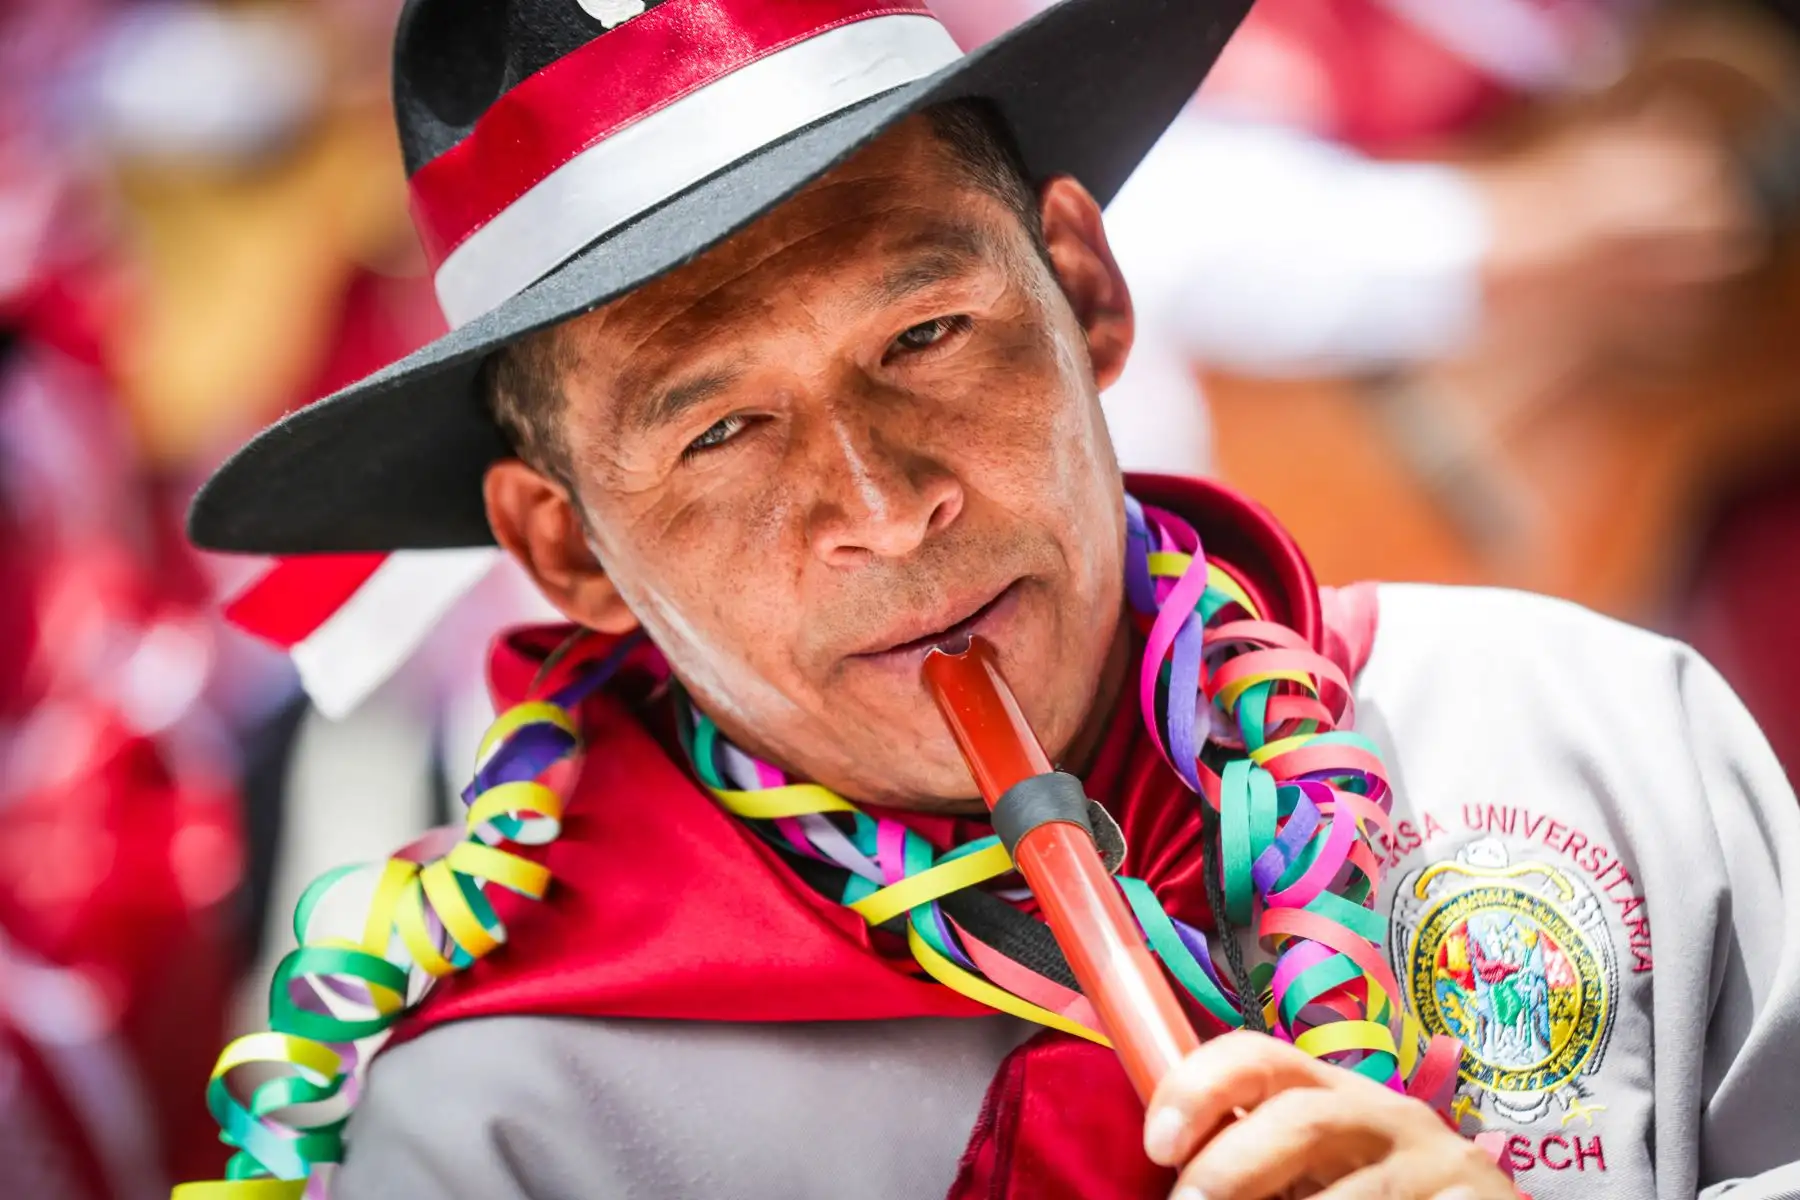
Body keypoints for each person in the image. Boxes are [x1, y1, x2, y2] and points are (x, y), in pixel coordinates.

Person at [176, 1, 1800, 1198]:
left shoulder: (1590, 737)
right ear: (566, 549)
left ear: (1086, 292)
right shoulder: (507, 1132)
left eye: (927, 337)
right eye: (720, 432)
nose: (885, 512)